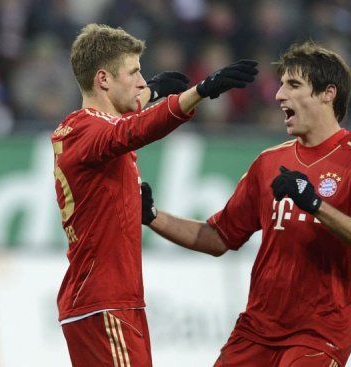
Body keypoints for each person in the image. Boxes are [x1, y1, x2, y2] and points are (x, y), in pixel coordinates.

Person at [142, 42, 351, 367]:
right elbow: (218, 237)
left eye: (293, 85)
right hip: (255, 331)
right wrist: (151, 216)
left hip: (318, 337)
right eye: (281, 85)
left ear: (328, 93)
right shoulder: (269, 162)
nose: (279, 95)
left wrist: (315, 204)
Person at [51, 23, 258, 367]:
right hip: (104, 301)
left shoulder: (88, 127)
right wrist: (200, 91)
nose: (142, 82)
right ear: (103, 79)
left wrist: (151, 92)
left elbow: (123, 123)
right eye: (133, 73)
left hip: (110, 300)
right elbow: (133, 130)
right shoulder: (88, 129)